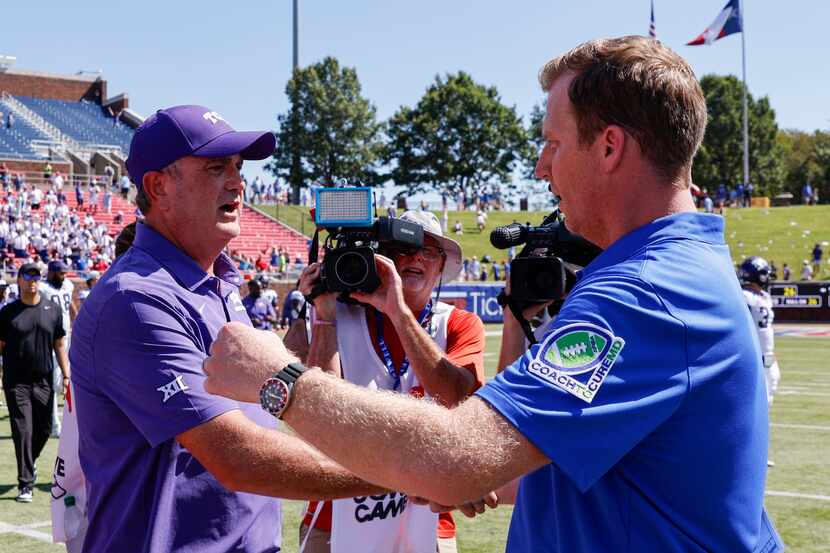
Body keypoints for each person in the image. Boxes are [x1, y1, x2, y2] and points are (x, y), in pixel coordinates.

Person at [204, 36, 783, 552]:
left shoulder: (645, 293)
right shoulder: (659, 274)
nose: (541, 166)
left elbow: (459, 460)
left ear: (609, 148)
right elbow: (508, 478)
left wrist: (279, 379)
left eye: (554, 144)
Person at [69, 105, 380, 553]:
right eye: (216, 167)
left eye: (238, 167)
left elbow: (264, 399)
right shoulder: (135, 299)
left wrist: (318, 326)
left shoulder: (219, 285)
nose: (237, 182)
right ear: (159, 186)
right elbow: (236, 456)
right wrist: (396, 473)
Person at [296, 210, 485, 553]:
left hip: (429, 517)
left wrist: (398, 312)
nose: (415, 257)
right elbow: (318, 412)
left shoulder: (459, 323)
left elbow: (457, 397)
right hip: (334, 514)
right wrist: (323, 315)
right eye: (403, 249)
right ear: (382, 258)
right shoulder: (339, 313)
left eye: (428, 251)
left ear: (441, 266)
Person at [0, 263, 69, 503]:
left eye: (35, 277)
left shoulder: (52, 310)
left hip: (44, 380)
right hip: (15, 381)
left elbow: (59, 344)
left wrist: (67, 373)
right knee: (22, 430)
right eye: (27, 276)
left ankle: (31, 461)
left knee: (43, 429)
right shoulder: (7, 313)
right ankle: (25, 484)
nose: (32, 281)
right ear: (18, 281)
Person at [738, 256, 780, 467]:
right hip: (755, 361)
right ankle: (749, 455)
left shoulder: (763, 296)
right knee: (753, 411)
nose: (768, 278)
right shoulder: (742, 297)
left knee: (765, 407)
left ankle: (757, 453)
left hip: (769, 360)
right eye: (765, 273)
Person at [39, 260, 76, 438]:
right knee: (54, 382)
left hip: (66, 336)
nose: (64, 276)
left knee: (68, 379)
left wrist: (76, 320)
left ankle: (69, 419)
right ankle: (54, 425)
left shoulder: (67, 285)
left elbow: (69, 307)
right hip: (52, 339)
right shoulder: (42, 288)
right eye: (60, 273)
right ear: (52, 273)